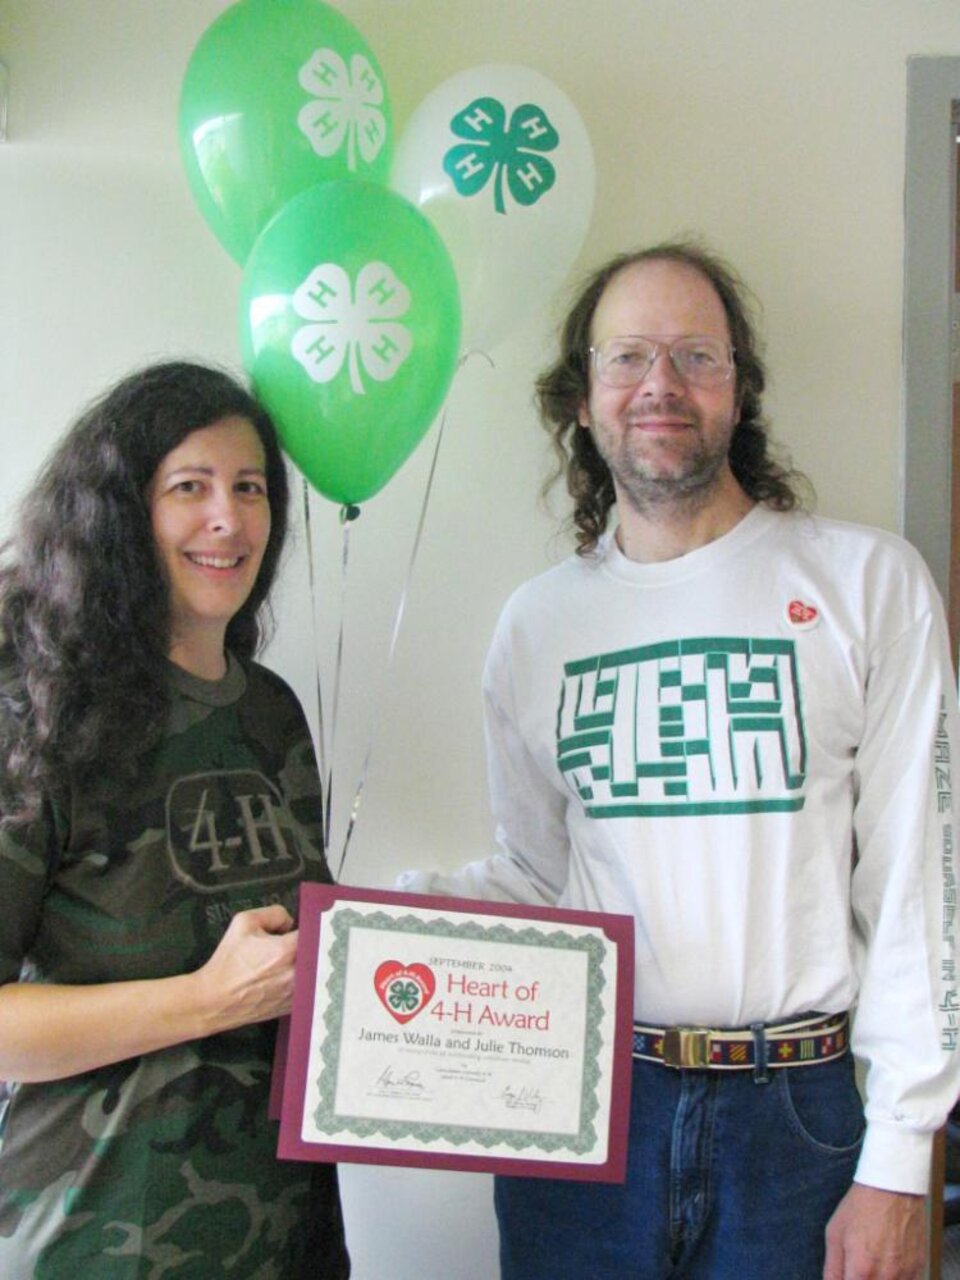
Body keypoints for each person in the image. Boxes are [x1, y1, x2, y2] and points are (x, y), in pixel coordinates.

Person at [397, 242, 960, 1279]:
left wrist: (899, 1155)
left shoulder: (867, 583)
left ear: (739, 389)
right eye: (629, 357)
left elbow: (922, 886)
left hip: (800, 1121)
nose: (661, 384)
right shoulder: (538, 624)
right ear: (582, 397)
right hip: (581, 1102)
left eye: (697, 355)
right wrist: (372, 918)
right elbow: (537, 876)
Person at [0, 362, 350, 1279]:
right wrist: (205, 999)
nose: (227, 519)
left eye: (251, 489)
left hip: (286, 1243)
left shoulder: (271, 712)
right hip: (92, 1243)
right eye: (188, 488)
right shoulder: (36, 710)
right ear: (123, 513)